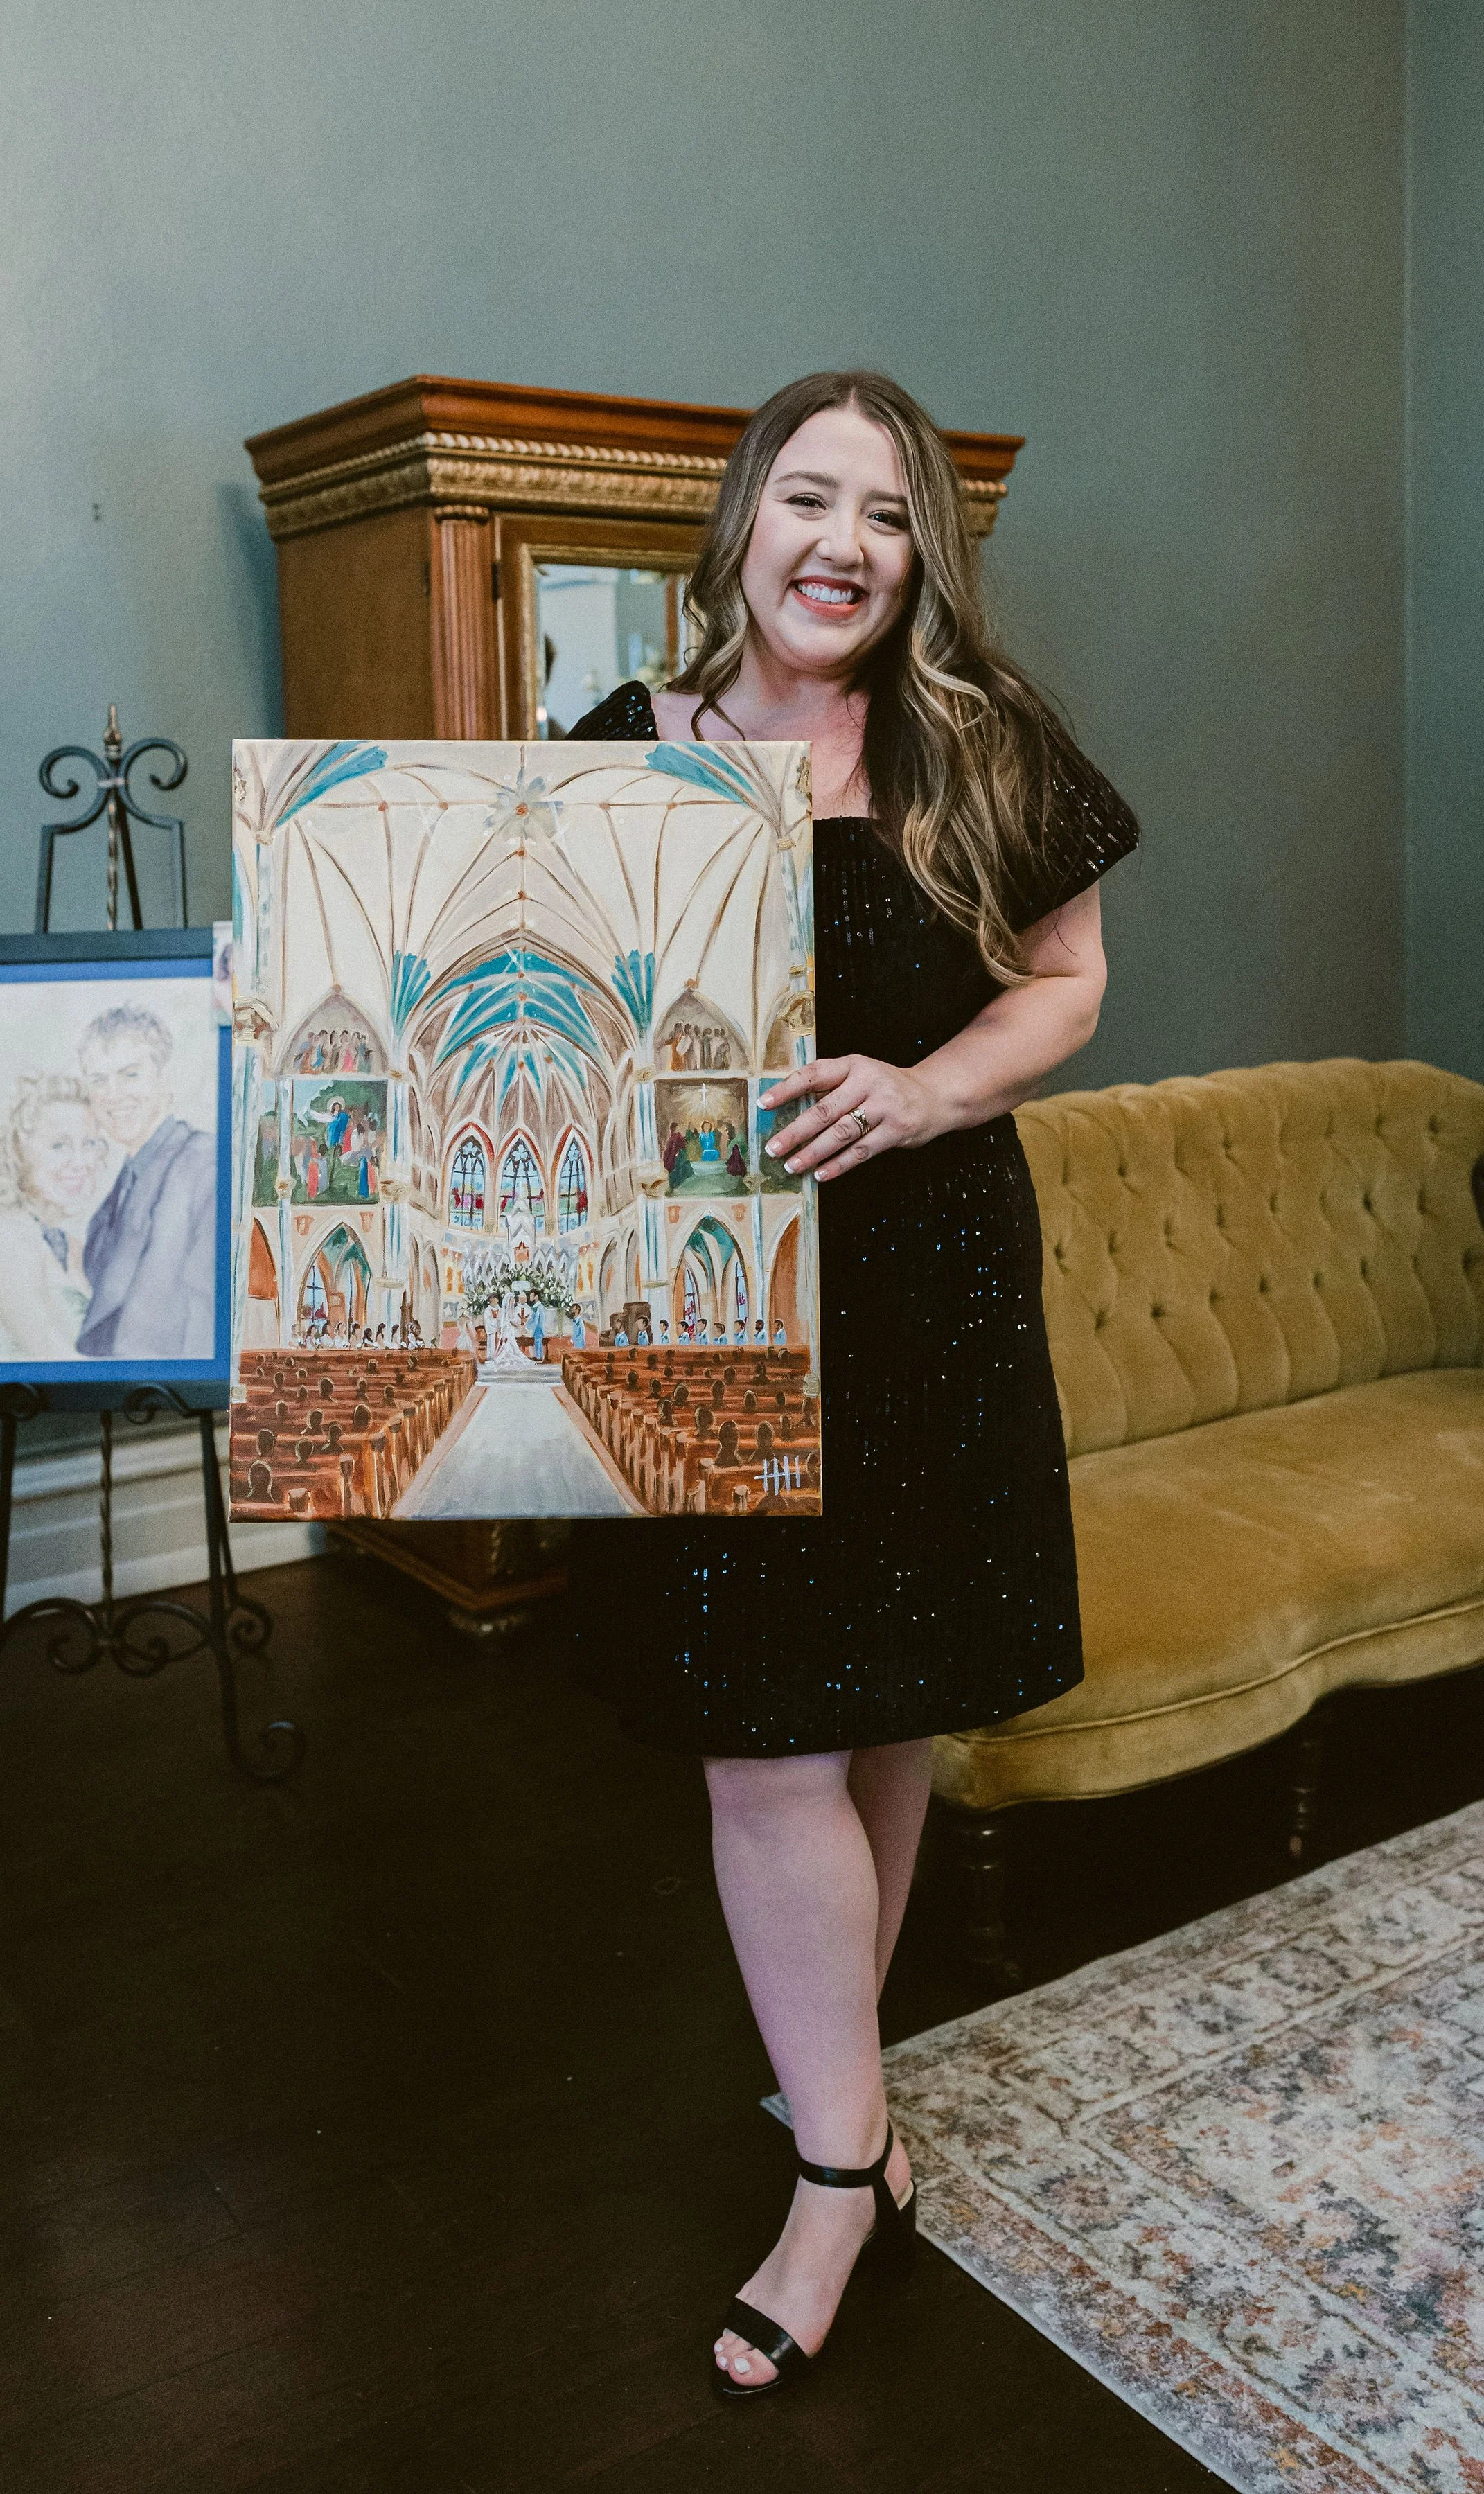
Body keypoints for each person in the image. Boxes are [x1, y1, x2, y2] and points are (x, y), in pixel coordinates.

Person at [567, 369, 1137, 2398]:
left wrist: (918, 1089)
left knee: (873, 1704)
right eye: (803, 499)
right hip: (710, 1305)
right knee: (760, 1744)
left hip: (924, 1286)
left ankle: (834, 2147)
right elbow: (518, 997)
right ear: (734, 525)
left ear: (921, 558)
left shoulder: (974, 747)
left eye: (884, 516)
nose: (841, 543)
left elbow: (1063, 980)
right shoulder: (624, 750)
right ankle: (844, 2162)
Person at [76, 1004, 215, 1360]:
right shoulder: (116, 1192)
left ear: (166, 1080)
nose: (113, 1095)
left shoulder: (204, 1165)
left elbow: (206, 1323)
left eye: (130, 1075)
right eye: (98, 1080)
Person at [0, 1074, 111, 1361]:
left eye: (89, 1143)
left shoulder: (70, 1245)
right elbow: (54, 1356)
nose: (81, 1162)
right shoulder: (3, 1235)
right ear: (18, 1151)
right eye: (59, 1146)